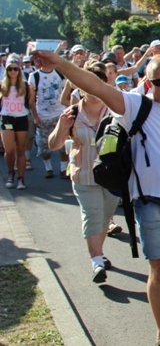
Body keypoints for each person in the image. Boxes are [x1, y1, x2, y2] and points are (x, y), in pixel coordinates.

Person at [30, 49, 160, 346]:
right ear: (147, 82)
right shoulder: (134, 105)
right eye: (159, 82)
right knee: (158, 266)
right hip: (148, 202)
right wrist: (61, 64)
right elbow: (97, 86)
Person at [47, 63, 119, 283]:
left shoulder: (116, 110)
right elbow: (53, 145)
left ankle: (99, 252)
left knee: (105, 219)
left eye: (98, 83)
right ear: (80, 86)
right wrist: (61, 126)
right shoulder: (73, 113)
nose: (93, 89)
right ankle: (96, 262)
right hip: (84, 175)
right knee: (92, 216)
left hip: (111, 176)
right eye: (87, 84)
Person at [27, 51, 69, 179]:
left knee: (63, 142)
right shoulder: (34, 76)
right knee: (44, 144)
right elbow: (31, 99)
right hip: (43, 115)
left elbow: (65, 92)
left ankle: (63, 168)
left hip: (59, 112)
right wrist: (35, 116)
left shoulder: (60, 74)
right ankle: (48, 167)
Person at [1, 57, 33, 189]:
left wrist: (36, 118)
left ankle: (20, 178)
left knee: (21, 149)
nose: (13, 71)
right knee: (9, 150)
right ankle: (10, 173)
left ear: (19, 70)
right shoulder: (2, 85)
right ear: (6, 70)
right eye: (10, 69)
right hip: (6, 118)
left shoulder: (26, 85)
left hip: (21, 118)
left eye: (15, 68)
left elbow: (31, 104)